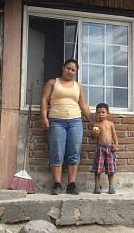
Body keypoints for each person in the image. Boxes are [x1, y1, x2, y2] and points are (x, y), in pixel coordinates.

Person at [40, 59, 95, 195]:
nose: (70, 71)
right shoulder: (53, 83)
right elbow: (44, 100)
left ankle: (71, 184)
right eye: (68, 68)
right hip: (56, 122)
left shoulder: (78, 86)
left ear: (76, 72)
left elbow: (83, 105)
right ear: (63, 68)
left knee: (74, 153)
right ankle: (57, 184)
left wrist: (91, 121)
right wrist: (44, 117)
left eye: (73, 70)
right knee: (57, 152)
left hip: (75, 122)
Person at [90, 103, 118, 194]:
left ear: (108, 113)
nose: (101, 114)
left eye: (103, 112)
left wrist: (116, 144)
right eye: (98, 112)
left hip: (110, 148)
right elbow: (92, 138)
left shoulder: (110, 124)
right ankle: (97, 187)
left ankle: (111, 187)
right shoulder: (95, 124)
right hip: (100, 148)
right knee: (98, 168)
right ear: (96, 114)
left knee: (111, 168)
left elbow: (114, 135)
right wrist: (95, 134)